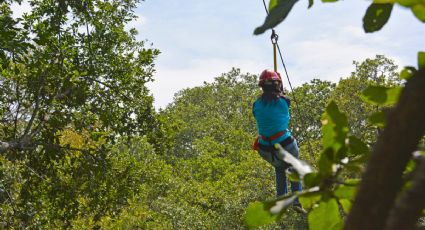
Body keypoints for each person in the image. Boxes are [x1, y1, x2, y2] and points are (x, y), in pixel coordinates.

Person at [252, 69, 306, 213]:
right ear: (277, 85)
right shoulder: (284, 101)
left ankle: (281, 199)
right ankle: (296, 201)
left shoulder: (256, 105)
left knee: (280, 167)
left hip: (265, 149)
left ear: (262, 86)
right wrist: (279, 82)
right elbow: (281, 95)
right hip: (285, 145)